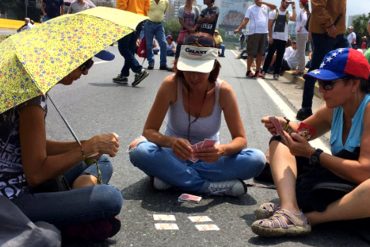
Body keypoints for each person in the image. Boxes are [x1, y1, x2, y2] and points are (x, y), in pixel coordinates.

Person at [0, 51, 123, 241]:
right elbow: (36, 174)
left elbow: (34, 146)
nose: (86, 72)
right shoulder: (32, 101)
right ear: (63, 59)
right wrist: (85, 149)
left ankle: (72, 206)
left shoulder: (24, 88)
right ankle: (73, 214)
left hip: (22, 178)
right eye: (85, 64)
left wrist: (85, 146)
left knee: (102, 160)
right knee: (110, 198)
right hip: (12, 200)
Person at [128, 34, 266, 197]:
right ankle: (205, 186)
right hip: (173, 155)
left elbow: (241, 140)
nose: (193, 77)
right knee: (139, 152)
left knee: (256, 159)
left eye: (200, 70)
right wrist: (171, 142)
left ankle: (173, 177)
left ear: (213, 67)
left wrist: (221, 150)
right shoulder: (170, 85)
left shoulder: (223, 91)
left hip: (209, 160)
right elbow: (149, 130)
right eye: (189, 69)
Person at [252, 48, 370, 237]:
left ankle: (308, 217)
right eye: (320, 83)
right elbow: (301, 132)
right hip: (344, 181)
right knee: (281, 141)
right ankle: (290, 208)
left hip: (362, 188)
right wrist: (285, 126)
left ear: (354, 83)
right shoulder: (333, 109)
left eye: (328, 84)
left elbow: (364, 173)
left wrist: (313, 154)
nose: (321, 90)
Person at [296, 0, 348, 121]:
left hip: (339, 32)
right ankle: (306, 107)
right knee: (315, 69)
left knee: (348, 67)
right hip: (325, 32)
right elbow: (318, 7)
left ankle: (343, 108)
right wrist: (329, 25)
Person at [234, 0, 276, 78]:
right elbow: (245, 20)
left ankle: (257, 71)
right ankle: (248, 71)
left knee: (260, 53)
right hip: (254, 33)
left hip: (264, 33)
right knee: (251, 53)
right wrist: (239, 28)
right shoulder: (251, 8)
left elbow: (274, 7)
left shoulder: (265, 7)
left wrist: (263, 2)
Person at [113, 0, 150, 86]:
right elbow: (147, 6)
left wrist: (117, 18)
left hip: (127, 18)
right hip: (139, 19)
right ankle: (124, 74)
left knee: (123, 48)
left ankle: (139, 70)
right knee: (130, 48)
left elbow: (122, 5)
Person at [260, 0, 296, 80]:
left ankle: (276, 73)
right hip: (274, 38)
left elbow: (294, 19)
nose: (287, 4)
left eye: (288, 3)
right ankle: (264, 71)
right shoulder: (274, 12)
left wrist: (293, 8)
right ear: (282, 2)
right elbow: (269, 25)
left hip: (283, 39)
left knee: (280, 57)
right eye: (286, 2)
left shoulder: (288, 12)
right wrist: (270, 37)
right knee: (269, 55)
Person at [145, 0, 172, 71]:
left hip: (159, 25)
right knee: (149, 45)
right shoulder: (148, 1)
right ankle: (151, 62)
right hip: (148, 24)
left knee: (163, 43)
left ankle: (163, 64)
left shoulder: (166, 2)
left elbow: (164, 12)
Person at [293, 0, 310, 76]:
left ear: (302, 3)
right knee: (300, 51)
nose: (299, 3)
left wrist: (300, 27)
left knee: (301, 51)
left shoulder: (304, 11)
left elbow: (304, 19)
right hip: (302, 33)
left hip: (301, 33)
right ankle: (300, 68)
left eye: (300, 2)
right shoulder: (304, 11)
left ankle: (301, 69)